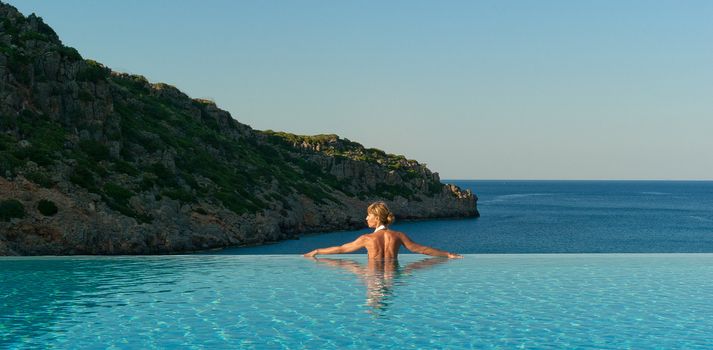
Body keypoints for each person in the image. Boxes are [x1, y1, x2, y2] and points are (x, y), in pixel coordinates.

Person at [303, 201, 462, 259]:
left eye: (368, 216)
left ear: (377, 218)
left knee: (349, 268)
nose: (366, 218)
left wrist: (317, 250)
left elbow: (341, 249)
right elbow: (422, 249)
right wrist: (447, 254)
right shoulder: (398, 235)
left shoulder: (367, 238)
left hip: (373, 276)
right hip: (393, 277)